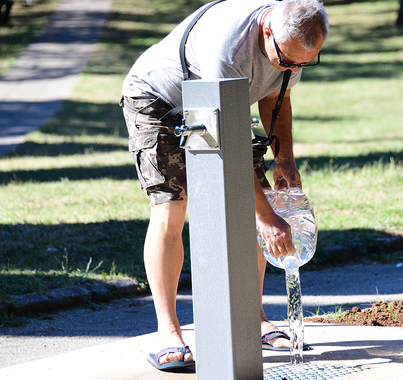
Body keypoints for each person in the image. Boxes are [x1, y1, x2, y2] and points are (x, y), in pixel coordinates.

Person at [120, 0, 329, 370]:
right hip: (158, 101)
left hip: (220, 107)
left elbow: (273, 96)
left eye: (303, 64)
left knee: (256, 204)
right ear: (268, 32)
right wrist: (265, 216)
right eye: (288, 61)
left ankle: (255, 318)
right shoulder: (228, 47)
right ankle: (168, 334)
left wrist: (285, 159)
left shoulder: (290, 45)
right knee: (172, 209)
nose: (294, 68)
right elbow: (226, 141)